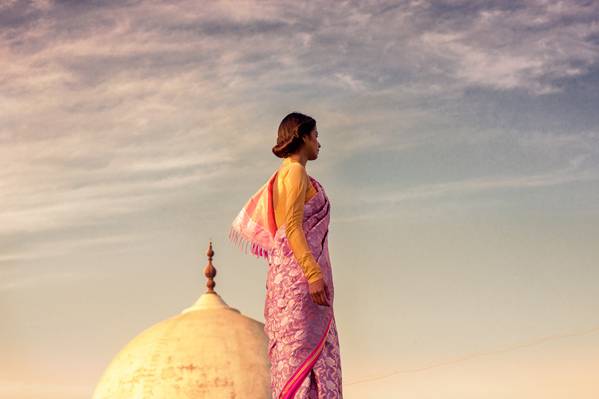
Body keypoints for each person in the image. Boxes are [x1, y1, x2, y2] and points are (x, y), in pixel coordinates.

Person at [229, 112, 342, 398]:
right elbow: (292, 226)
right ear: (302, 136)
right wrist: (314, 274)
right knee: (306, 359)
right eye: (315, 136)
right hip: (302, 279)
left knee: (301, 358)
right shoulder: (294, 172)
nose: (319, 143)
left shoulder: (283, 174)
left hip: (289, 278)